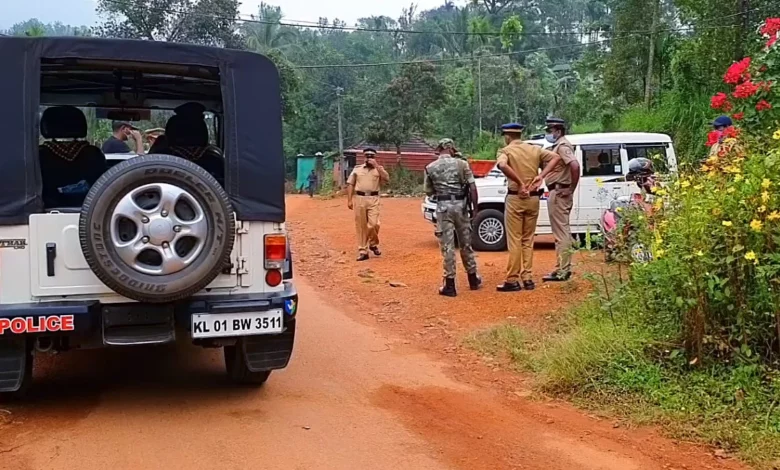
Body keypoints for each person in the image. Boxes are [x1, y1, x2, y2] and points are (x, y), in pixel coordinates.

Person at [495, 123, 561, 292]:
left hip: (516, 197)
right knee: (528, 239)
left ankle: (512, 279)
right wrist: (540, 176)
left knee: (515, 239)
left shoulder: (505, 151)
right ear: (520, 134)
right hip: (533, 199)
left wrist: (519, 183)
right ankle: (528, 277)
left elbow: (502, 165)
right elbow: (556, 158)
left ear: (507, 136)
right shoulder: (534, 150)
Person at [424, 138, 482, 297]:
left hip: (443, 208)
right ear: (450, 148)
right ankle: (473, 279)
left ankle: (450, 284)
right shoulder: (462, 164)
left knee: (448, 246)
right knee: (465, 243)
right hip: (461, 207)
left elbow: (428, 192)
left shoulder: (430, 167)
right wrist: (475, 209)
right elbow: (472, 187)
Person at [533, 117, 581, 282]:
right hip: (557, 191)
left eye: (550, 131)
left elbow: (575, 165)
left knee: (561, 233)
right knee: (560, 232)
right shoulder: (557, 146)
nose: (549, 134)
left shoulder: (563, 146)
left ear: (558, 131)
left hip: (560, 191)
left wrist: (570, 189)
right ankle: (561, 266)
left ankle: (564, 270)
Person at [347, 148, 389, 261]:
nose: (369, 158)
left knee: (374, 224)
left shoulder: (378, 170)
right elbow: (350, 184)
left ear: (374, 158)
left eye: (372, 156)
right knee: (361, 226)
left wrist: (377, 166)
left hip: (373, 198)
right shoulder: (357, 169)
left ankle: (373, 243)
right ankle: (363, 251)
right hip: (359, 198)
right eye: (367, 156)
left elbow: (387, 179)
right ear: (364, 157)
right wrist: (349, 200)